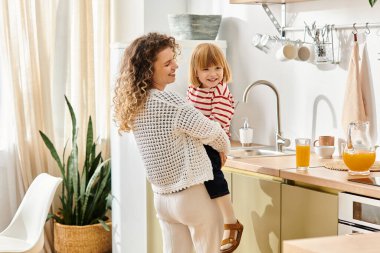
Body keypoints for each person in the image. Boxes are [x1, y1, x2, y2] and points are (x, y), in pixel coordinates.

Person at [113, 32, 230, 253]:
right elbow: (215, 133)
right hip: (193, 197)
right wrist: (223, 150)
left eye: (173, 59)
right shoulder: (172, 103)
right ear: (149, 69)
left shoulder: (136, 103)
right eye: (167, 63)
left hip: (163, 199)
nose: (175, 65)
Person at [187, 43, 243, 253]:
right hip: (196, 143)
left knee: (213, 175)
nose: (214, 74)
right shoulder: (193, 90)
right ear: (196, 72)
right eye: (206, 69)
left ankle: (231, 221)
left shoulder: (220, 92)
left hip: (213, 142)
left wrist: (220, 148)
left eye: (218, 68)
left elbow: (217, 126)